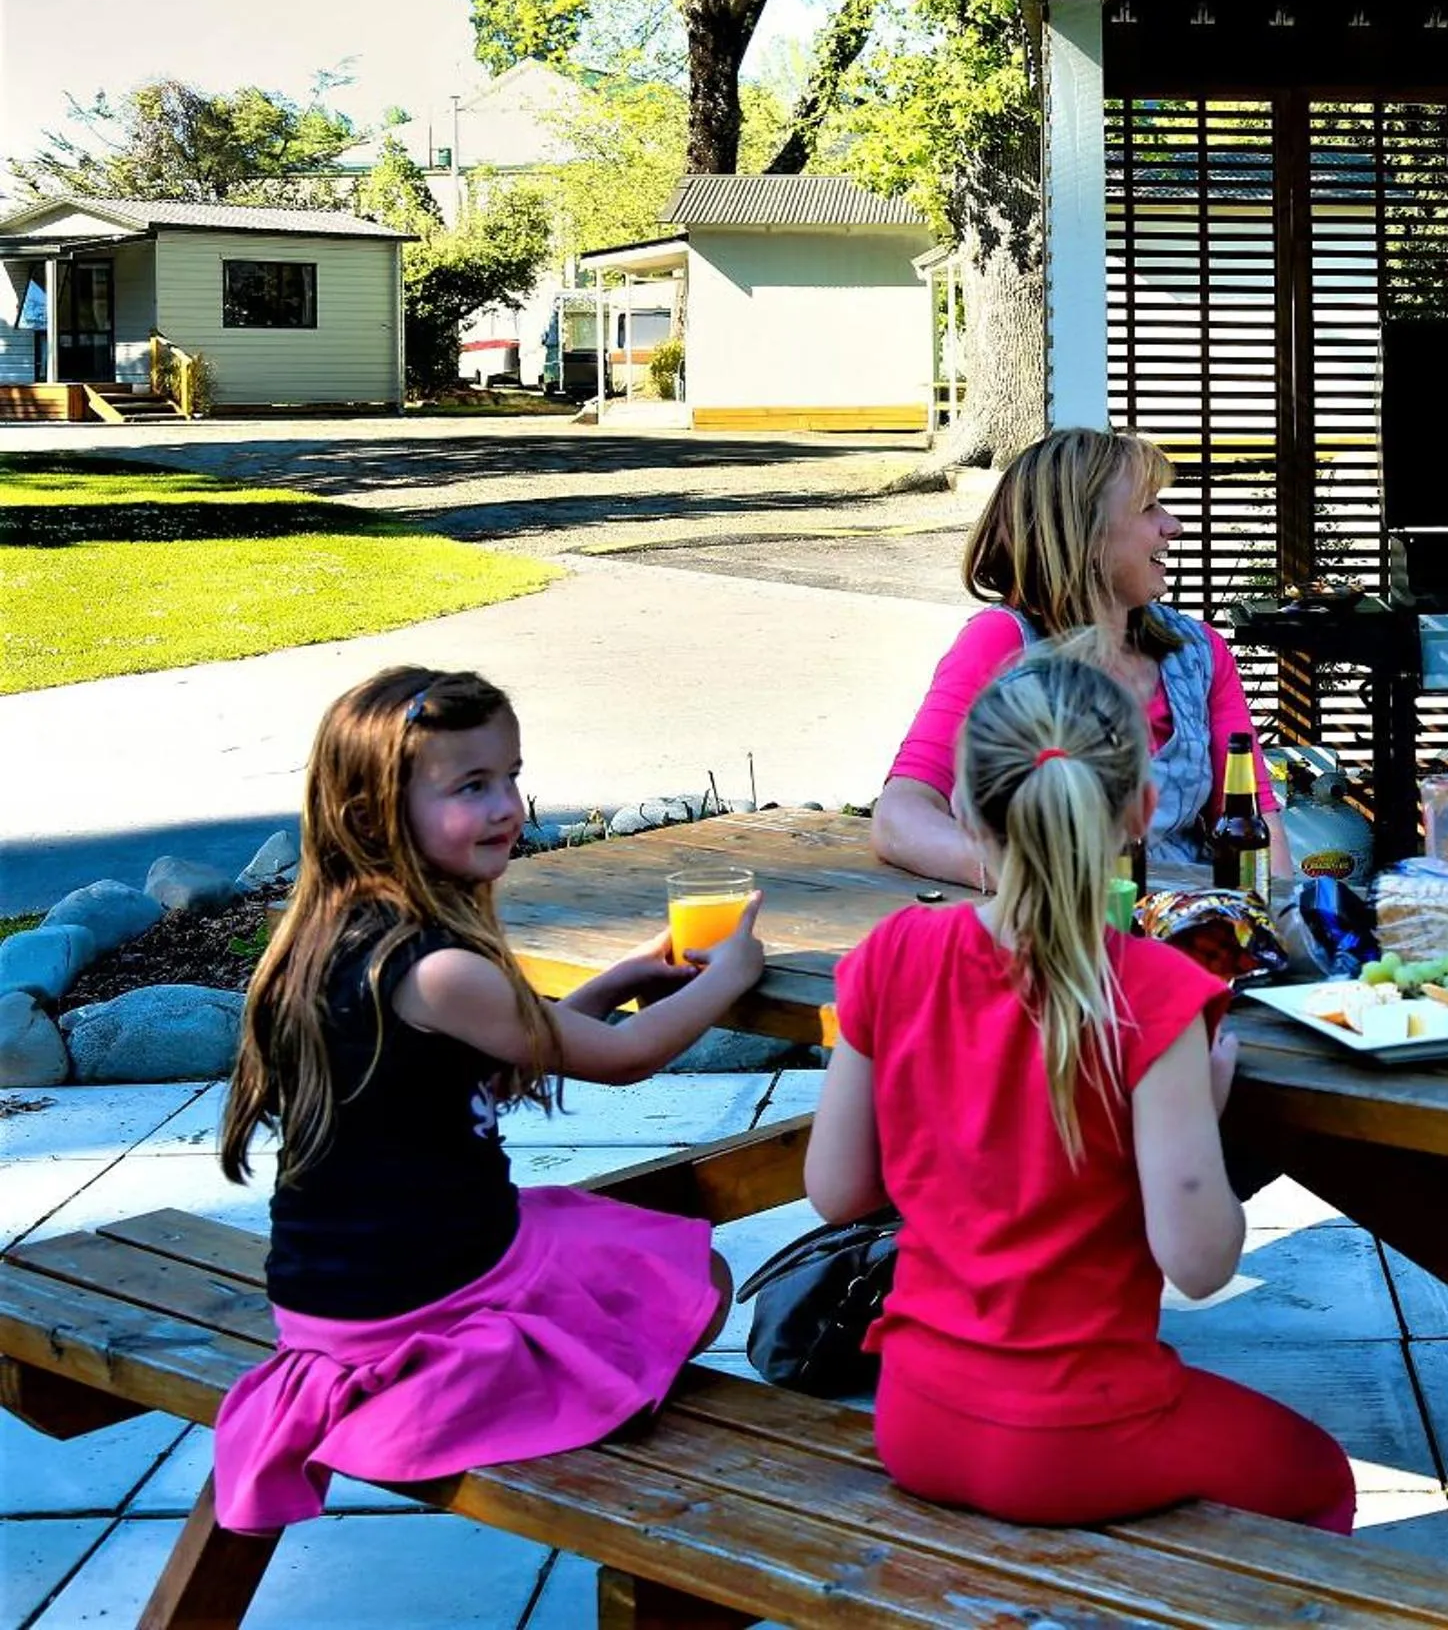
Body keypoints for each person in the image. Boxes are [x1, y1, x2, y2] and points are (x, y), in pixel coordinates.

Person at [207, 666, 770, 1535]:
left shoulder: (333, 937)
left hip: (332, 1299)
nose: (507, 804)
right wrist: (731, 974)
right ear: (373, 813)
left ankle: (527, 1390)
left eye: (511, 775)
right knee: (696, 1277)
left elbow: (492, 1068)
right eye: (471, 785)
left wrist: (617, 979)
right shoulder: (439, 969)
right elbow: (626, 1061)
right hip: (433, 1296)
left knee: (632, 1253)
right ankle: (532, 1414)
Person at [808, 644, 1356, 1532]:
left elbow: (836, 1191)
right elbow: (1201, 1263)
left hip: (914, 1419)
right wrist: (1203, 1115)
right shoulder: (1159, 993)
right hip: (1078, 1436)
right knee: (1317, 1474)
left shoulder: (889, 954)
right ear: (1142, 811)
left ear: (963, 807)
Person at [871, 429, 1286, 888]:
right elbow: (900, 816)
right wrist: (1027, 877)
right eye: (1148, 507)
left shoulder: (1199, 653)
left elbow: (1258, 825)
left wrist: (1280, 917)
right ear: (1085, 534)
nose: (1173, 526)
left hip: (1186, 919)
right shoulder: (1002, 641)